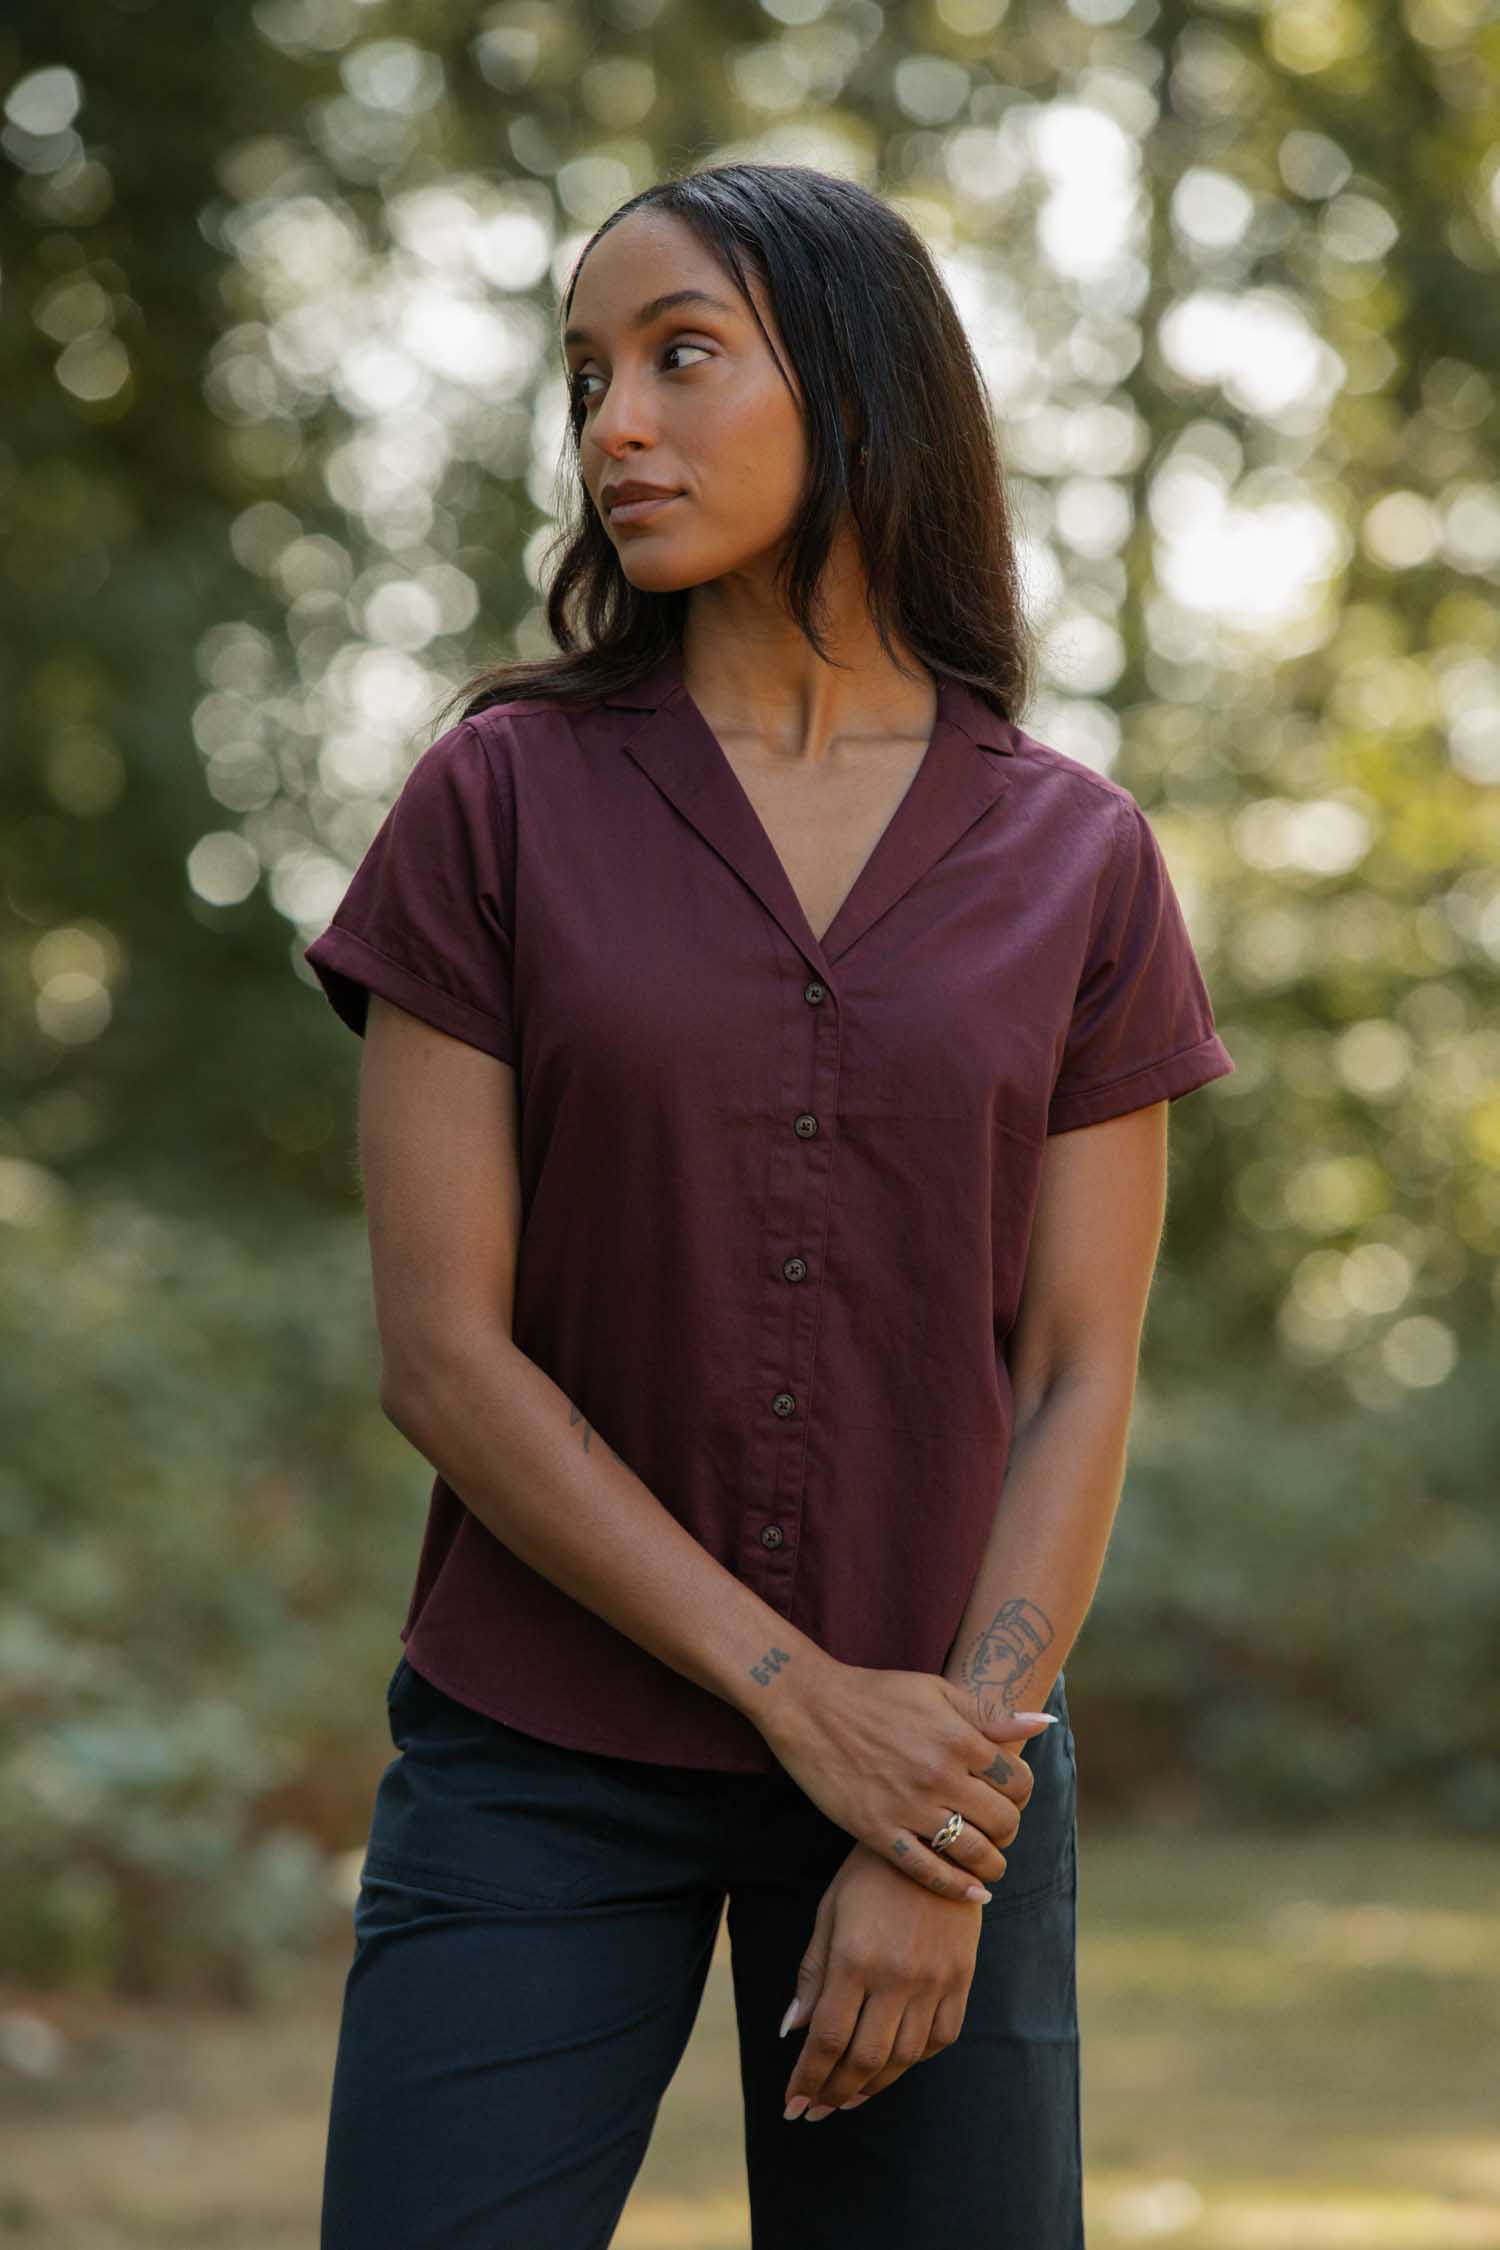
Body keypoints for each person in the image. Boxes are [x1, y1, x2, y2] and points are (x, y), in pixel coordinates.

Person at [305, 161, 1234, 2249]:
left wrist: (938, 1819)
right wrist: (802, 1699)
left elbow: (1079, 1372)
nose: (614, 425)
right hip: (539, 1751)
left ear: (858, 384)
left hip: (945, 1765)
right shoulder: (495, 801)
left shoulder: (1079, 859)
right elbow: (444, 1356)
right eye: (587, 379)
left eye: (680, 358)